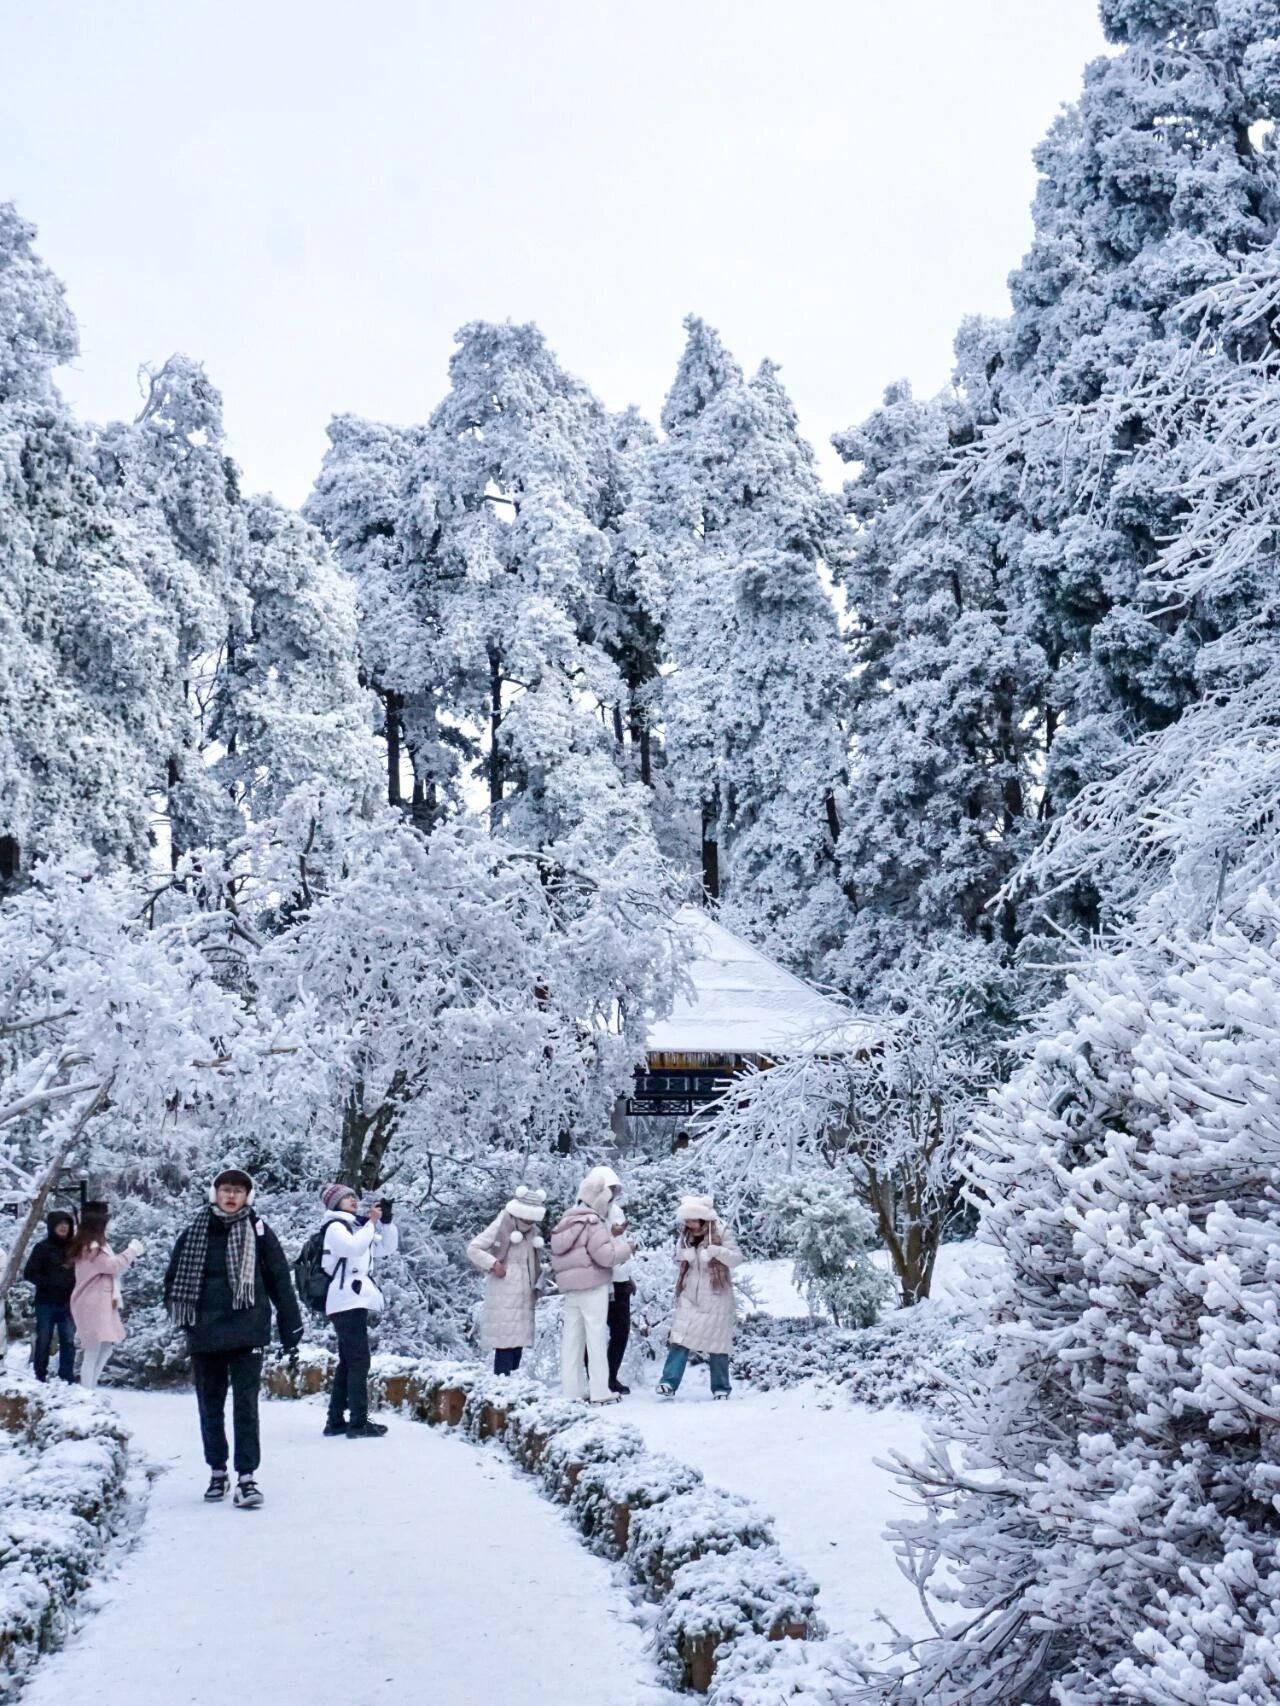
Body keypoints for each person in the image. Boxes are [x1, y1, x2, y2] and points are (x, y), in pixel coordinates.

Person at [165, 1168, 304, 1509]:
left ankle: (246, 1477)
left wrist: (291, 1327)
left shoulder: (258, 1232)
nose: (231, 1196)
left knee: (246, 1406)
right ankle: (216, 1470)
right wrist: (187, 1321)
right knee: (210, 1406)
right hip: (205, 1333)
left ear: (247, 1197)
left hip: (247, 1330)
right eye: (226, 1190)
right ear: (215, 1194)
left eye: (238, 1191)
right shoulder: (194, 1233)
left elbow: (279, 1282)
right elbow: (172, 1282)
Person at [549, 1167, 633, 1405]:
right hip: (593, 1287)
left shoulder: (566, 1220)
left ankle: (572, 1390)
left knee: (572, 1340)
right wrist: (627, 1249)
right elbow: (605, 1257)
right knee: (595, 1338)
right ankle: (600, 1391)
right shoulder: (593, 1222)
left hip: (570, 1290)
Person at [656, 1195, 742, 1401]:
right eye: (686, 1220)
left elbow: (736, 1258)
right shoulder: (686, 1236)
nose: (689, 1224)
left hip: (716, 1296)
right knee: (680, 1337)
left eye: (692, 1220)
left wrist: (717, 1252)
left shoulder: (721, 1233)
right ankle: (668, 1382)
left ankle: (721, 1387)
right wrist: (683, 1256)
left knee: (717, 1342)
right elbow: (679, 1258)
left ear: (703, 1219)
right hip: (690, 1295)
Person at [320, 1184, 387, 1439]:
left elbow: (386, 1248)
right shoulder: (336, 1227)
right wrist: (371, 1223)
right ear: (334, 1203)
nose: (352, 1201)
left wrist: (386, 1224)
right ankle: (358, 1422)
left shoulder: (357, 1227)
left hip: (353, 1299)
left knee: (349, 1361)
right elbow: (353, 1249)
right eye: (346, 1198)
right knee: (359, 1360)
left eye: (353, 1197)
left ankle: (335, 1421)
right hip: (344, 1300)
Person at [467, 1186, 547, 1375]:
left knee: (517, 1343)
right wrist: (494, 1263)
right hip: (503, 1291)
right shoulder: (502, 1224)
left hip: (524, 1293)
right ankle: (501, 1388)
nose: (529, 1221)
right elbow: (474, 1248)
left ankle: (513, 1388)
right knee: (505, 1344)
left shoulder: (532, 1231)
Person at [66, 1202, 144, 1390]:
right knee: (93, 1349)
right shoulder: (92, 1248)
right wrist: (132, 1251)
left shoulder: (90, 1246)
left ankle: (91, 1388)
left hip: (101, 1303)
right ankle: (87, 1392)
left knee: (106, 1346)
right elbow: (112, 1265)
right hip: (93, 1304)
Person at [588, 1165, 634, 1396]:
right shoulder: (586, 1213)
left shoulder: (616, 1210)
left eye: (615, 1189)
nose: (613, 1193)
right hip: (596, 1280)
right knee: (594, 1331)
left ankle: (611, 1375)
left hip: (619, 1279)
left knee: (621, 1330)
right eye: (609, 1188)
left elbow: (619, 1245)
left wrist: (628, 1276)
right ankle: (594, 1377)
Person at [24, 1210, 76, 1382]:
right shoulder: (42, 1248)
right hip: (46, 1302)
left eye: (66, 1224)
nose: (63, 1227)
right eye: (60, 1224)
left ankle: (66, 1378)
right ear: (52, 1226)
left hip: (68, 1303)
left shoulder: (74, 1248)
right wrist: (49, 1281)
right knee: (44, 1340)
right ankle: (40, 1375)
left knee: (68, 1341)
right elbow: (29, 1273)